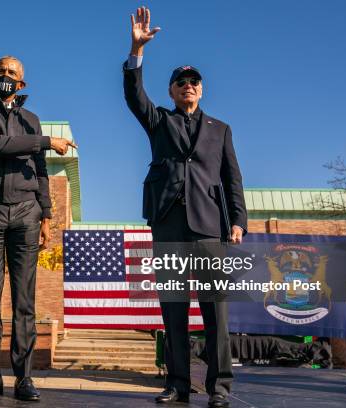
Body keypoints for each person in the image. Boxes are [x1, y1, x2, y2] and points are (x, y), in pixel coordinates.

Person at [123, 7, 247, 407]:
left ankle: (220, 387)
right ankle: (177, 384)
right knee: (173, 310)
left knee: (217, 315)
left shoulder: (221, 130)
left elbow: (232, 178)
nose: (188, 86)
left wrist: (238, 220)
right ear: (172, 90)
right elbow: (133, 96)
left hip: (211, 228)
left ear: (201, 89)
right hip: (170, 226)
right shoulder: (160, 121)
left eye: (194, 81)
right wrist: (136, 52)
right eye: (181, 81)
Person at [0, 55, 76, 401]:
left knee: (25, 300)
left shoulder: (31, 120)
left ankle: (24, 378)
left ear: (22, 84)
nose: (6, 76)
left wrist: (48, 215)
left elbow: (40, 172)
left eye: (13, 73)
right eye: (2, 71)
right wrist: (47, 141)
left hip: (27, 214)